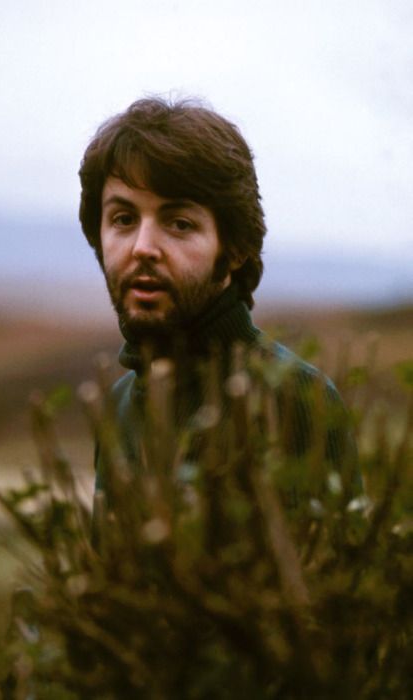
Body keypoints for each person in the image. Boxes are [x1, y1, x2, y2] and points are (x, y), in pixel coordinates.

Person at [78, 97, 358, 506]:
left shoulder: (296, 400)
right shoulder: (119, 406)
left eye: (179, 223)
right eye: (123, 219)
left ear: (236, 247)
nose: (142, 248)